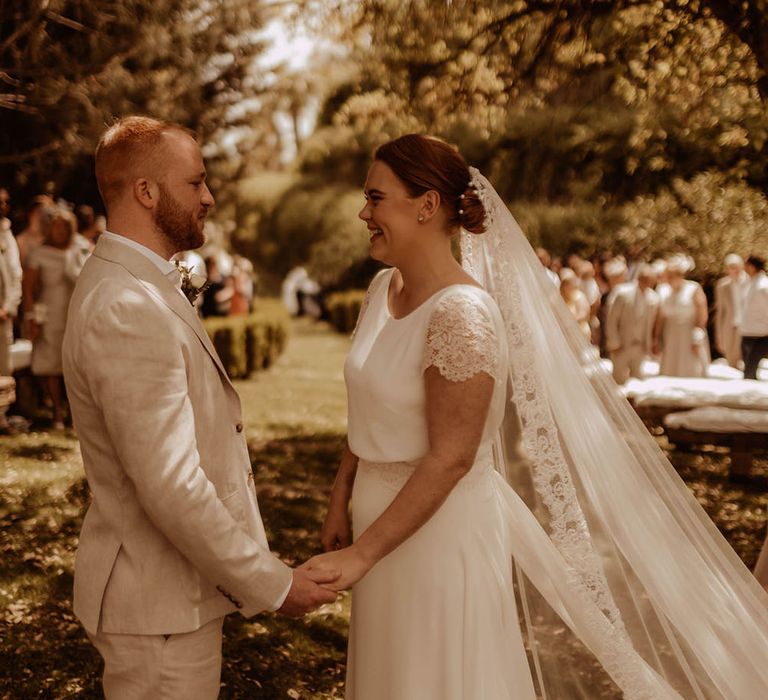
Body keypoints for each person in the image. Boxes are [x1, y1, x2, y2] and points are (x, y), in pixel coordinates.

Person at [303, 134, 768, 699]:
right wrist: (341, 494)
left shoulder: (462, 313)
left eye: (376, 198)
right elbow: (367, 405)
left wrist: (362, 552)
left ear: (426, 205)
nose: (364, 213)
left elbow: (451, 459)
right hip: (373, 520)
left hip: (436, 533)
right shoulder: (381, 289)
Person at [62, 116, 337, 699]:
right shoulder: (125, 304)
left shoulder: (142, 284)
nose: (209, 197)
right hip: (155, 605)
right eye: (196, 183)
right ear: (146, 191)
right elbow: (171, 483)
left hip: (170, 595)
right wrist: (271, 583)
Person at [23, 205, 84, 428]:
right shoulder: (40, 253)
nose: (59, 232)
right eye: (56, 227)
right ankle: (57, 412)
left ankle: (75, 413)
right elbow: (29, 288)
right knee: (52, 363)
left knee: (74, 363)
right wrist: (31, 316)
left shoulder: (78, 250)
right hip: (50, 312)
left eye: (64, 228)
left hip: (74, 311)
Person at [653, 254, 709, 377]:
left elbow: (702, 314)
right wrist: (656, 338)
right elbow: (660, 317)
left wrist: (697, 335)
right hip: (670, 333)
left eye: (671, 276)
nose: (668, 279)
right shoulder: (662, 289)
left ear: (680, 275)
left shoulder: (693, 288)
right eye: (667, 276)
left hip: (689, 333)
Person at [604, 263, 659, 384]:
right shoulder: (622, 292)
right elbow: (612, 319)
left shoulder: (653, 298)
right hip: (622, 344)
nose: (647, 282)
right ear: (639, 278)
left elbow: (651, 324)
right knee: (618, 379)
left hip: (640, 345)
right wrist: (614, 341)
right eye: (645, 279)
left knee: (637, 380)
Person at [0, 187, 22, 430]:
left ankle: (1, 417)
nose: (4, 206)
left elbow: (16, 274)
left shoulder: (7, 233)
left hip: (4, 315)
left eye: (6, 202)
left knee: (4, 367)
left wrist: (8, 306)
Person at [714, 253, 748, 368]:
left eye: (736, 266)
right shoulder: (722, 285)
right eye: (731, 267)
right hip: (729, 323)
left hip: (747, 324)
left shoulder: (750, 282)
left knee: (741, 355)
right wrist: (718, 334)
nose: (734, 270)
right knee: (730, 357)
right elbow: (720, 311)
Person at [740, 254, 768, 380]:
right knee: (748, 364)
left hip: (761, 331)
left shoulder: (763, 284)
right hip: (749, 329)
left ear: (752, 267)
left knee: (751, 366)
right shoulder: (750, 282)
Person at [558, 267, 591, 339]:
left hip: (580, 330)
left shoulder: (579, 296)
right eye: (565, 284)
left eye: (569, 284)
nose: (567, 287)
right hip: (564, 332)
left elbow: (583, 314)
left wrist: (569, 323)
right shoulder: (558, 298)